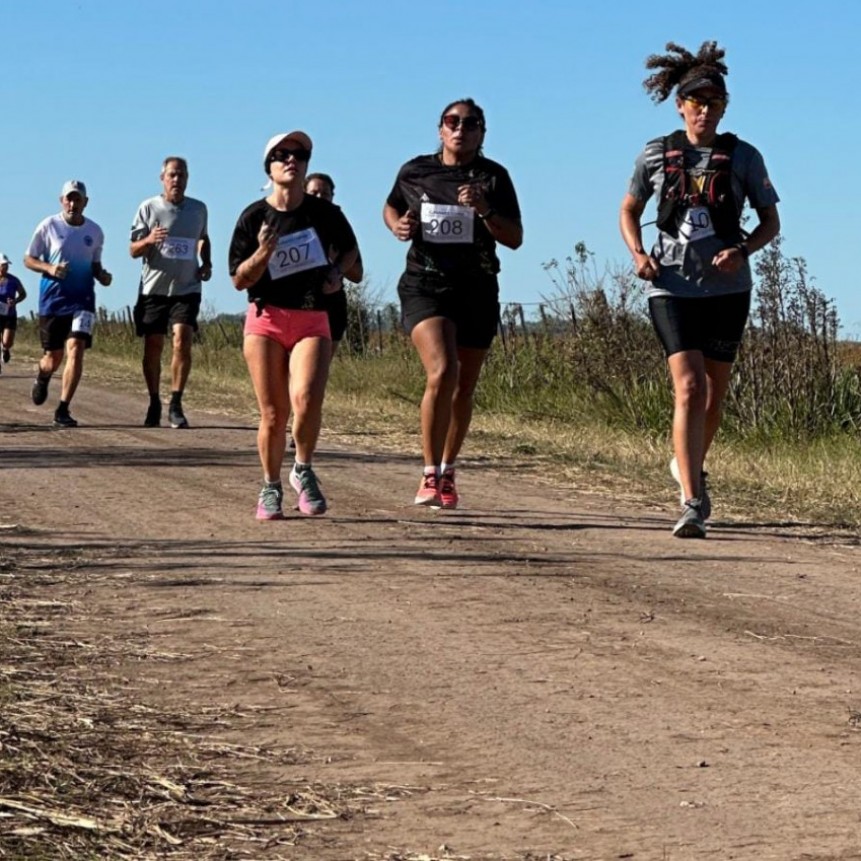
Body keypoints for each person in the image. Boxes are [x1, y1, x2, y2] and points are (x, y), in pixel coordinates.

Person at [619, 41, 780, 538]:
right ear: (680, 105)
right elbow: (628, 209)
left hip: (728, 289)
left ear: (724, 108)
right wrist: (639, 255)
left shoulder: (744, 156)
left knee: (713, 396)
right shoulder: (655, 153)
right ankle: (691, 501)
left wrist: (743, 250)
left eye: (713, 102)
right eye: (696, 101)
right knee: (689, 386)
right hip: (670, 286)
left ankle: (686, 463)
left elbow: (771, 221)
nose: (704, 110)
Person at [383, 97, 523, 509]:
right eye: (452, 121)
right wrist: (398, 225)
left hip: (477, 288)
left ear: (482, 132)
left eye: (471, 123)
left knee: (463, 387)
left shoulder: (493, 177)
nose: (461, 129)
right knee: (443, 370)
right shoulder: (415, 171)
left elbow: (514, 238)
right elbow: (391, 206)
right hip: (425, 284)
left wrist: (484, 209)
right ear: (440, 129)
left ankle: (448, 469)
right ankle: (429, 473)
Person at [229, 131, 358, 520]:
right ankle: (270, 486)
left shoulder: (325, 214)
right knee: (273, 414)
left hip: (312, 316)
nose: (291, 160)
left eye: (299, 154)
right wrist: (263, 252)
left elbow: (351, 251)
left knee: (306, 399)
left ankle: (302, 468)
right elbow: (239, 279)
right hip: (266, 319)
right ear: (268, 167)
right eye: (282, 154)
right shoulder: (254, 217)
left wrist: (336, 272)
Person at [130, 157, 211, 428]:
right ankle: (154, 400)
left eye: (181, 175)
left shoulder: (198, 209)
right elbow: (133, 250)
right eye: (172, 175)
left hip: (187, 287)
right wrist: (149, 240)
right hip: (154, 288)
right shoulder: (148, 208)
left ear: (187, 179)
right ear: (162, 178)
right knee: (153, 345)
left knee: (182, 339)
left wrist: (206, 263)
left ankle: (176, 403)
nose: (177, 180)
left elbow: (203, 238)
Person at [24, 180, 113, 428]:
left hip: (83, 300)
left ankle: (63, 408)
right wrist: (49, 268)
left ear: (86, 202)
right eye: (69, 199)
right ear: (62, 201)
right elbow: (28, 259)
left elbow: (95, 264)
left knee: (76, 347)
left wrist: (102, 275)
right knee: (53, 358)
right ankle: (43, 375)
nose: (73, 204)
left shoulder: (95, 231)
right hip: (53, 300)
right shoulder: (49, 226)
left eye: (77, 199)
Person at [0, 253, 27, 371]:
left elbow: (23, 294)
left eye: (6, 265)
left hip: (9, 314)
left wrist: (15, 301)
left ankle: (5, 349)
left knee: (7, 342)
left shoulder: (13, 280)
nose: (5, 268)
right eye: (3, 265)